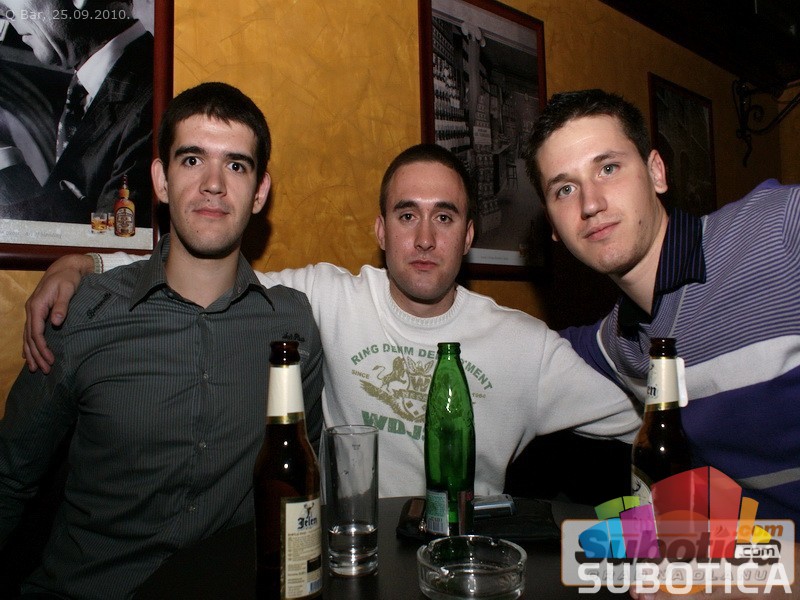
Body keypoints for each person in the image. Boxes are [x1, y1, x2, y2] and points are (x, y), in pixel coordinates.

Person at [22, 142, 641, 499]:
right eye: (406, 215)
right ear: (380, 231)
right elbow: (206, 274)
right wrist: (89, 262)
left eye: (445, 217)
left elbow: (650, 426)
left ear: (469, 235)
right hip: (348, 563)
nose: (425, 238)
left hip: (464, 569)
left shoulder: (524, 345)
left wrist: (626, 545)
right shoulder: (326, 297)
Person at [0, 82, 324, 599]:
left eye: (236, 165)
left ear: (260, 191)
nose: (214, 184)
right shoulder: (83, 313)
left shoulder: (292, 325)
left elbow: (304, 483)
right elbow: (10, 477)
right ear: (161, 180)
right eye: (192, 160)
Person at [524, 89, 800, 531]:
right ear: (553, 226)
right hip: (731, 557)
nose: (590, 204)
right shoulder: (619, 341)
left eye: (608, 168)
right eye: (565, 189)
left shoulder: (777, 229)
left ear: (656, 172)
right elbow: (520, 348)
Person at [0, 0, 153, 225]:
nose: (2, 11)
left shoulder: (153, 105)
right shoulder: (86, 86)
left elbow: (115, 236)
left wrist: (7, 170)